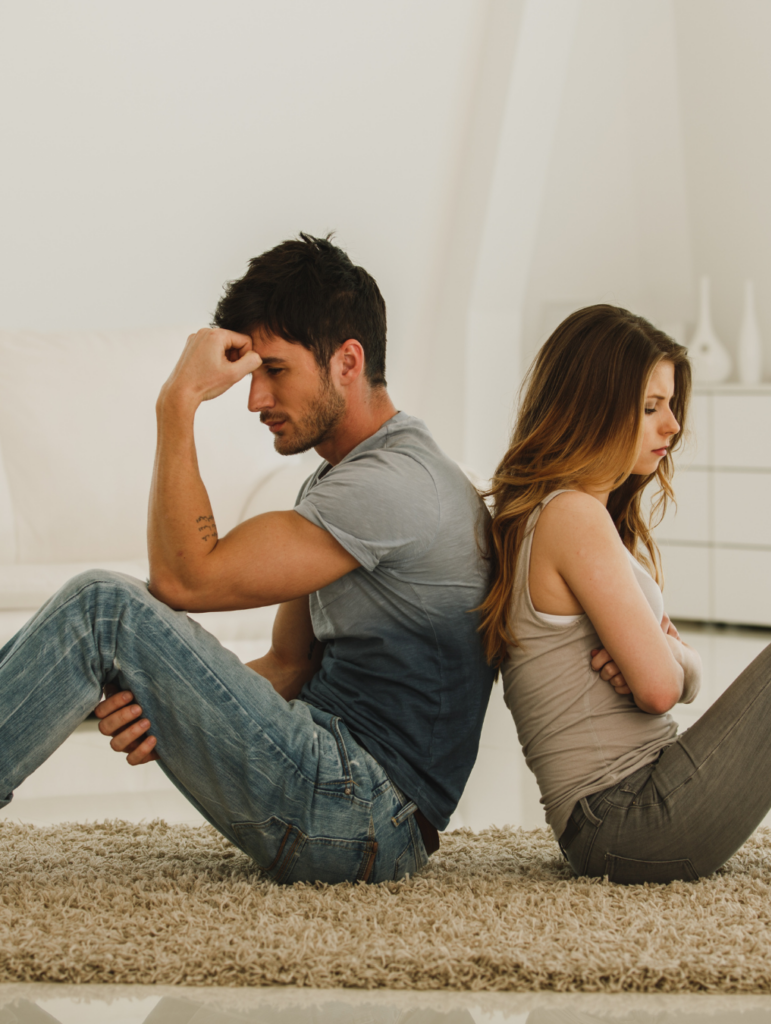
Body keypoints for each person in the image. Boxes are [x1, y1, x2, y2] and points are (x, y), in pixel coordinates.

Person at [0, 233, 493, 884]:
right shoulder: (341, 482)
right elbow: (292, 663)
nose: (255, 399)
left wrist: (177, 403)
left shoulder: (396, 484)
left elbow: (184, 580)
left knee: (102, 608)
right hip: (353, 800)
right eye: (252, 373)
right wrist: (171, 700)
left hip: (366, 812)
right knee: (106, 614)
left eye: (275, 370)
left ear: (348, 360)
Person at [480, 303, 771, 884]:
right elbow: (662, 686)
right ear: (592, 409)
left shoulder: (558, 514)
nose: (673, 425)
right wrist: (679, 664)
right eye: (649, 407)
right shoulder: (572, 516)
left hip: (616, 819)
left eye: (670, 405)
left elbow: (662, 676)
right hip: (628, 819)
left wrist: (673, 664)